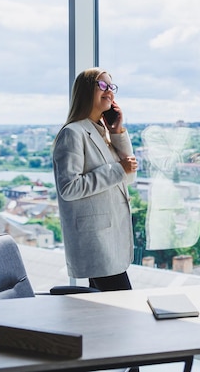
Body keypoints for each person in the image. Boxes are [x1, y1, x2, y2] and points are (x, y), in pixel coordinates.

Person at [52, 67, 138, 292]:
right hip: (97, 242)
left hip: (110, 239)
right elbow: (69, 188)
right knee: (123, 305)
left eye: (111, 86)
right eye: (102, 85)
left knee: (107, 312)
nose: (109, 91)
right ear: (85, 92)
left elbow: (128, 178)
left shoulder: (102, 133)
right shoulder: (73, 133)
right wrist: (118, 169)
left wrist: (118, 132)